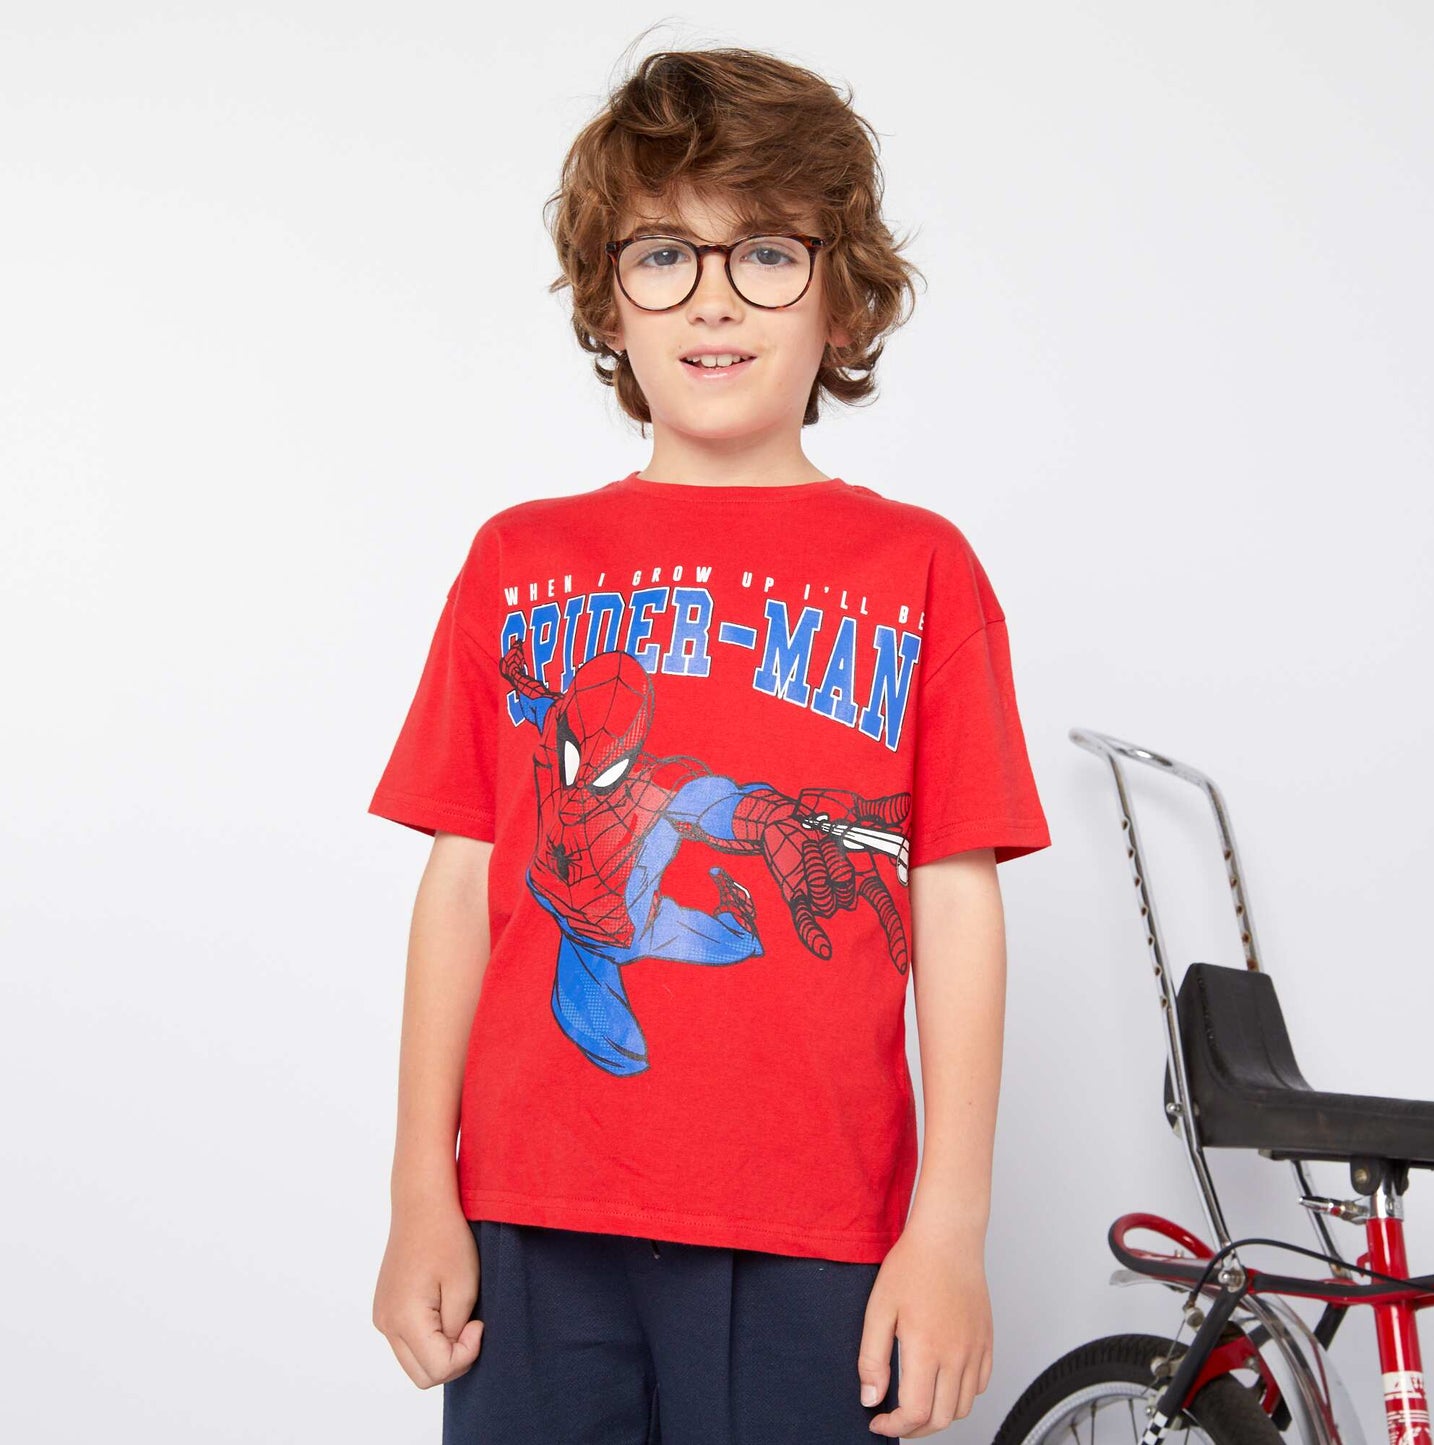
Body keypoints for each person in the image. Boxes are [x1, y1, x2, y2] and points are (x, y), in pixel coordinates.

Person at [367, 44, 1052, 1445]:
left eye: (768, 254)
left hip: (815, 1225)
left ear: (842, 296)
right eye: (665, 253)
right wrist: (419, 1191)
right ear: (606, 298)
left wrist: (950, 1228)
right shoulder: (518, 561)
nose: (714, 297)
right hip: (535, 1215)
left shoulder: (919, 570)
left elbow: (954, 896)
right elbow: (459, 882)